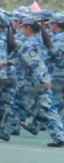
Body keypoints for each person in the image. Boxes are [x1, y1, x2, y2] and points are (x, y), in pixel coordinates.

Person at [4, 15, 64, 147]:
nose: (21, 30)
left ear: (28, 28)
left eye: (23, 28)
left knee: (17, 106)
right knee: (49, 109)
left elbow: (35, 62)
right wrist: (9, 62)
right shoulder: (41, 41)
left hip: (31, 81)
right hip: (43, 80)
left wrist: (42, 78)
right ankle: (59, 136)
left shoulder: (29, 44)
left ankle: (5, 132)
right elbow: (29, 59)